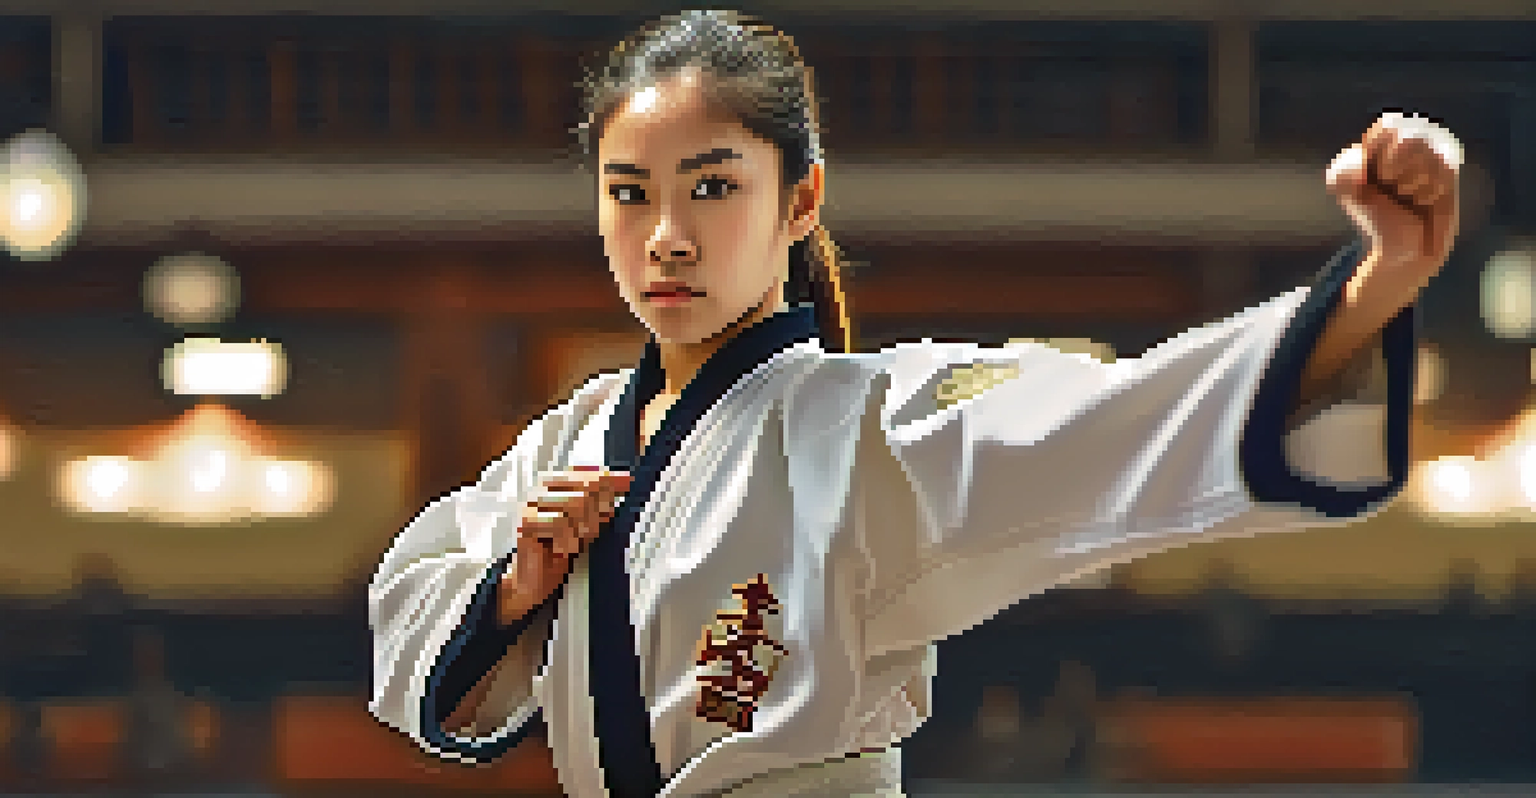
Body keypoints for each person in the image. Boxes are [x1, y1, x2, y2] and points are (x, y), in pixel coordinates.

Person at [368, 10, 1460, 797]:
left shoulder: (869, 421)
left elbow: (1116, 422)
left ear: (800, 199)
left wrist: (1378, 288)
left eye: (712, 186)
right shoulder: (569, 437)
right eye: (628, 193)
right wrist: (516, 591)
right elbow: (420, 622)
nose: (666, 234)